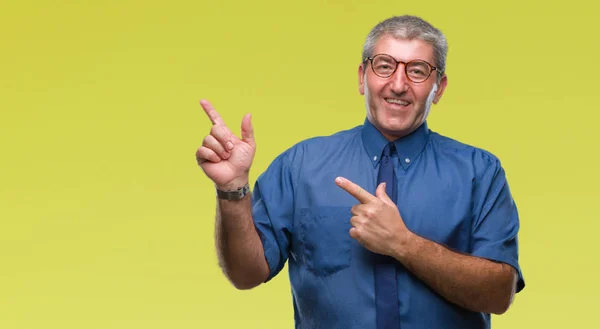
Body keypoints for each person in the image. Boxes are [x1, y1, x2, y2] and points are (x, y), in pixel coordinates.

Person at [195, 15, 525, 329]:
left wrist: (403, 243)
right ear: (361, 78)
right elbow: (246, 274)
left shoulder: (480, 172)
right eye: (384, 66)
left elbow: (499, 294)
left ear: (438, 88)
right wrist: (233, 190)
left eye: (418, 71)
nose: (398, 84)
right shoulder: (301, 165)